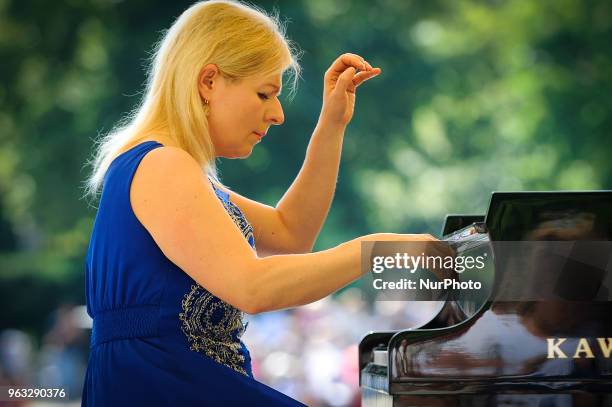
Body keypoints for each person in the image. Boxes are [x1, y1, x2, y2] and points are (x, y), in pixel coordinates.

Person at [82, 0, 440, 405]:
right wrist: (376, 251)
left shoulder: (162, 166)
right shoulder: (163, 164)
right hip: (166, 388)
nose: (278, 114)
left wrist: (332, 123)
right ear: (208, 81)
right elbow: (252, 287)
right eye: (264, 93)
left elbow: (290, 234)